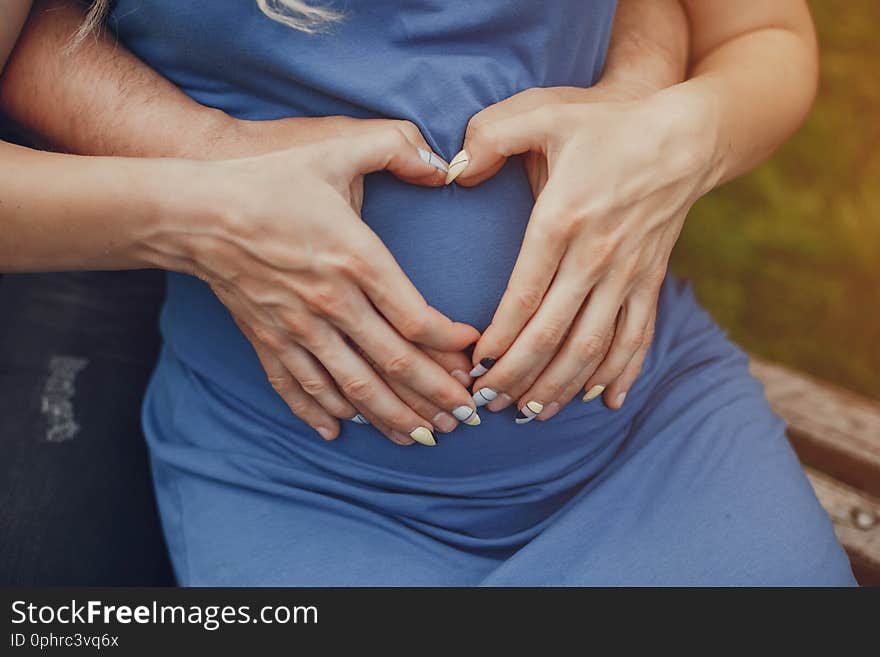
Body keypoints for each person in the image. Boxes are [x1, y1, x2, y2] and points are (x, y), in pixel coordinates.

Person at [0, 0, 855, 585]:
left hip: (655, 438)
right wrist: (198, 211)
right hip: (303, 478)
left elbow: (763, 31)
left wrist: (670, 135)